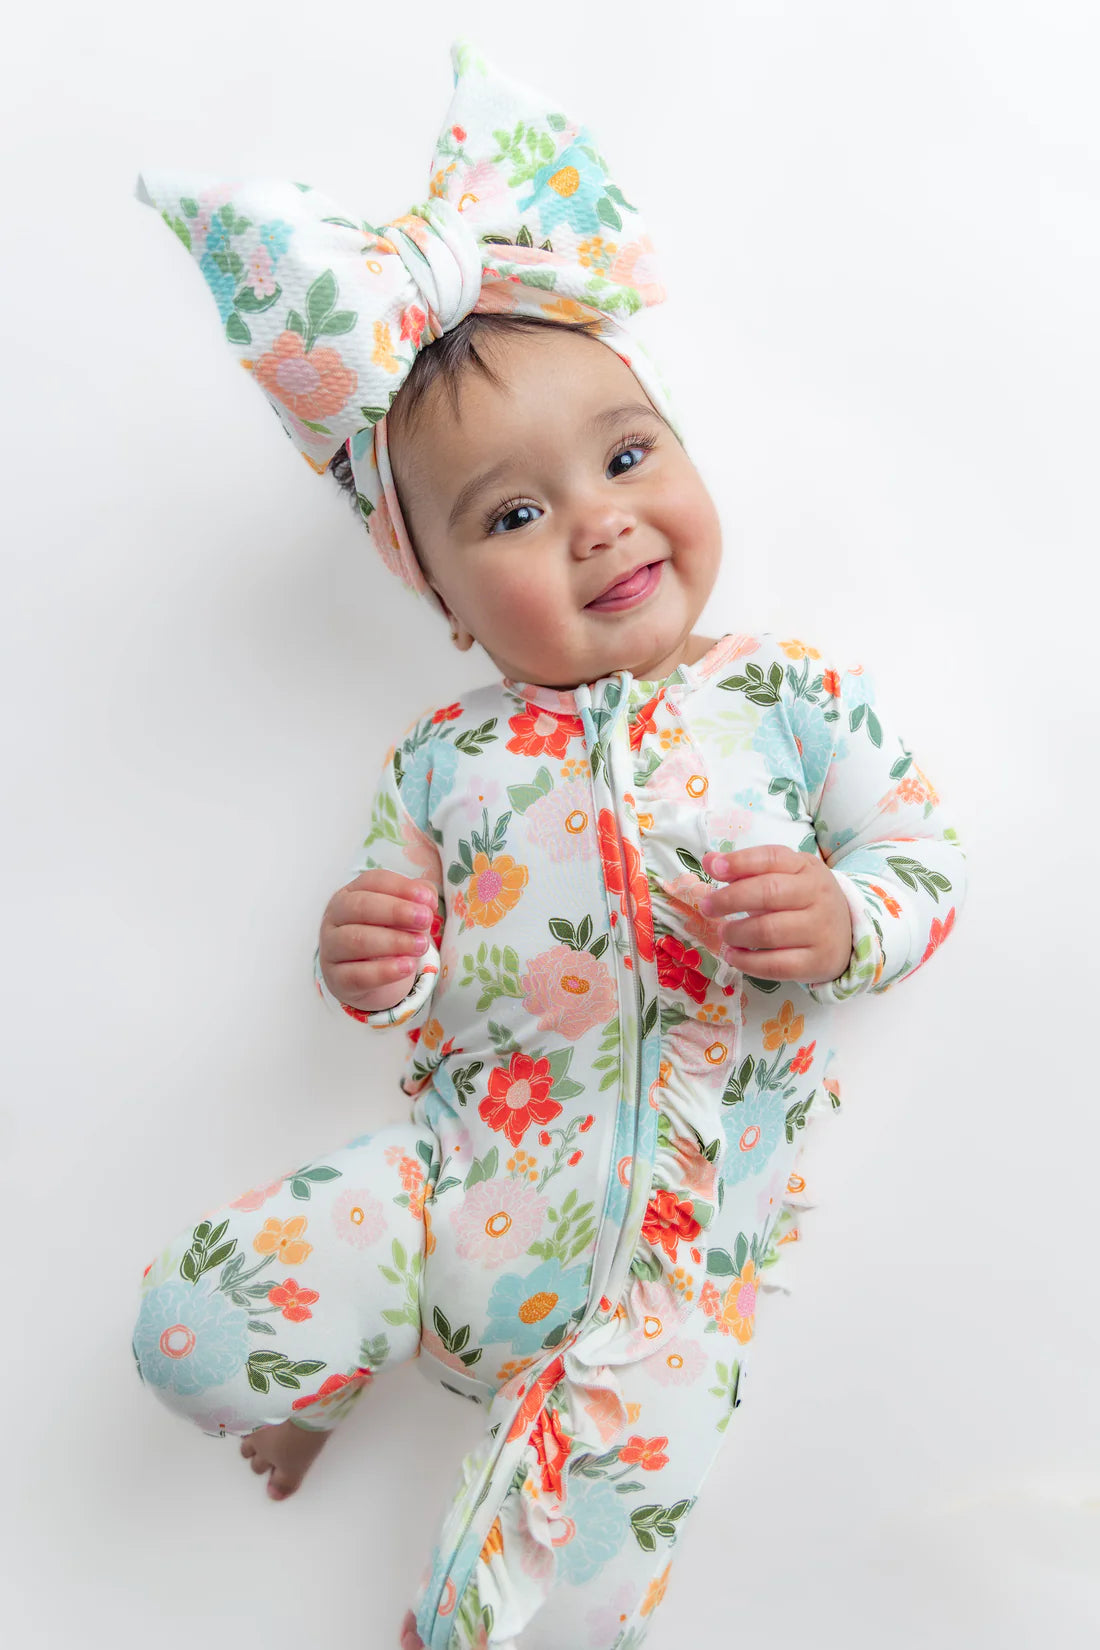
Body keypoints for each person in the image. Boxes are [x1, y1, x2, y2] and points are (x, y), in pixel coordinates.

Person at [131, 37, 967, 1650]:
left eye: (629, 454)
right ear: (441, 598)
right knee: (189, 1330)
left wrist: (846, 916)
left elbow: (922, 858)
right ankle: (322, 1372)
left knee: (563, 1610)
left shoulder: (787, 695)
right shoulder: (444, 758)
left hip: (671, 1278)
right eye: (512, 516)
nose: (596, 519)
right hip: (456, 1184)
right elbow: (398, 958)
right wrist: (367, 957)